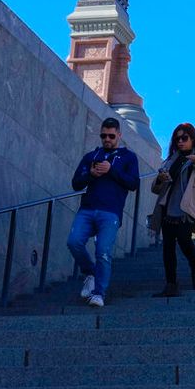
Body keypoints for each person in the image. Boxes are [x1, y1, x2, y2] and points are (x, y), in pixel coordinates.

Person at [68, 117, 140, 308]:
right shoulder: (91, 156)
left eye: (111, 136)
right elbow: (76, 183)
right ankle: (90, 272)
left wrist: (111, 170)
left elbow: (134, 183)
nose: (107, 139)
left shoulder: (128, 157)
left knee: (103, 252)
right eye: (103, 136)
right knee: (74, 242)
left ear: (119, 135)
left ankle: (99, 293)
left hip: (110, 212)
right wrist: (91, 174)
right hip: (88, 209)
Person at [148, 123, 195, 297]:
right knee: (168, 247)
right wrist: (160, 179)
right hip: (168, 206)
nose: (180, 142)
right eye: (177, 139)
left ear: (192, 138)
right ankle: (171, 283)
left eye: (184, 138)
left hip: (188, 207)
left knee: (184, 241)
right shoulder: (171, 160)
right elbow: (155, 188)